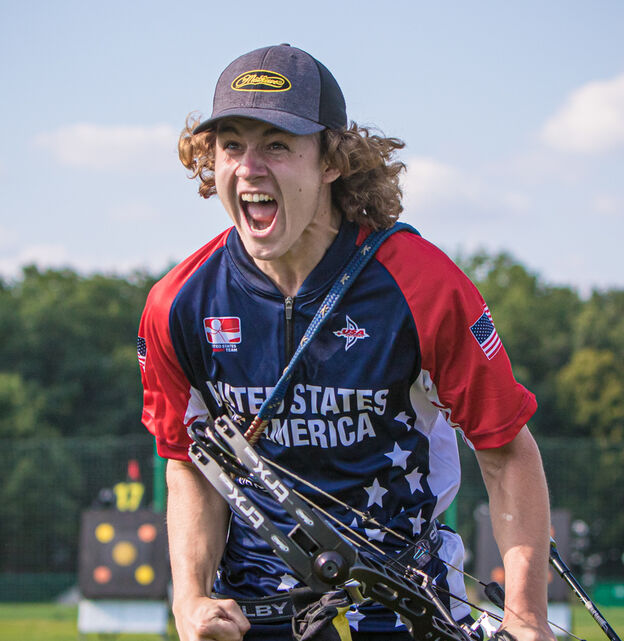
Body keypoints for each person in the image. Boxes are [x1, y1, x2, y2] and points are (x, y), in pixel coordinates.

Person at [138, 44, 556, 641]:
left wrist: (525, 617)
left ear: (331, 160)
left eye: (277, 144)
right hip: (258, 613)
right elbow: (188, 460)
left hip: (407, 607)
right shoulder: (178, 302)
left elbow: (506, 450)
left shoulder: (422, 284)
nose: (249, 167)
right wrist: (190, 600)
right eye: (231, 144)